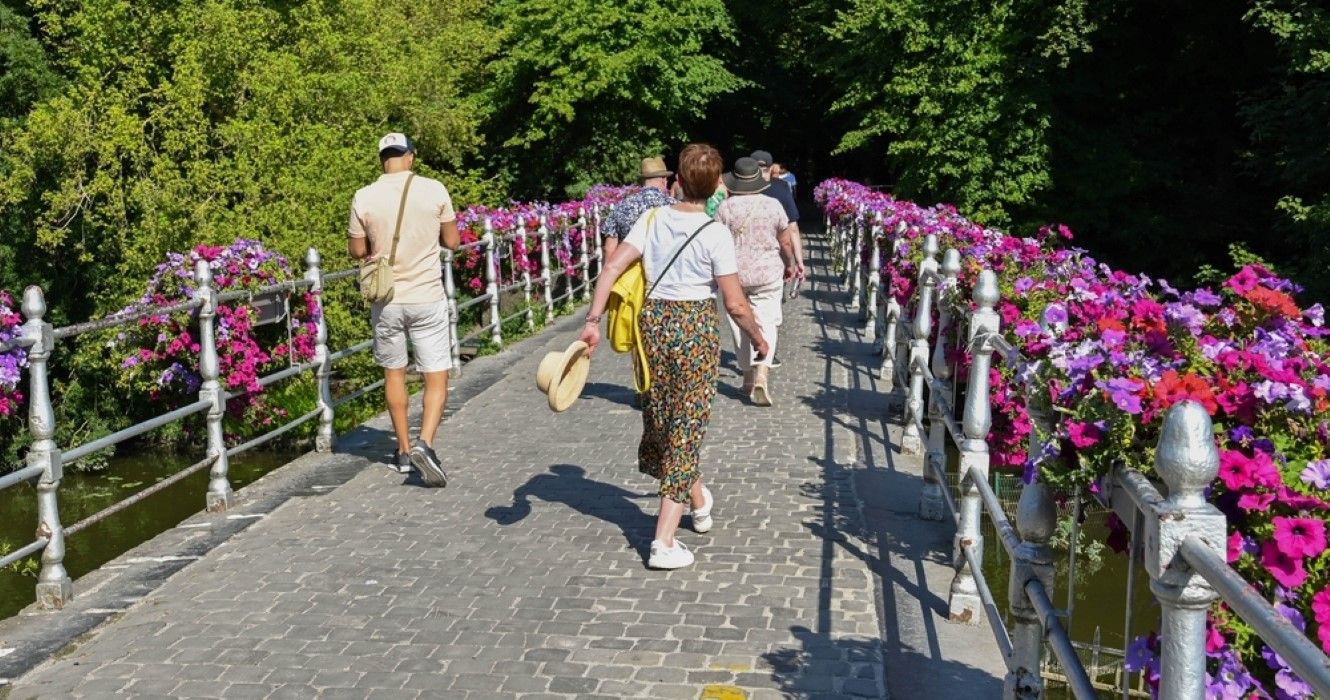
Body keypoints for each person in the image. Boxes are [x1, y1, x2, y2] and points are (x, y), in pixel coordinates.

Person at [579, 143, 769, 570]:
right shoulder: (715, 232)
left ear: (676, 183)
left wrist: (593, 320)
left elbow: (610, 267)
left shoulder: (651, 219)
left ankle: (698, 501)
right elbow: (735, 304)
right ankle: (663, 542)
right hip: (694, 328)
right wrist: (757, 337)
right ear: (718, 186)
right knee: (685, 426)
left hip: (654, 325)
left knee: (665, 417)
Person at [347, 132, 460, 486]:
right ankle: (426, 444)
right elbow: (452, 241)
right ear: (409, 156)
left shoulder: (364, 196)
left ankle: (403, 452)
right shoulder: (434, 189)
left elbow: (357, 250)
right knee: (435, 375)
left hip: (387, 300)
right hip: (427, 296)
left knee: (394, 374)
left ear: (383, 159)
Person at [716, 157, 797, 406]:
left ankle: (748, 379)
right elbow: (785, 241)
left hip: (734, 275)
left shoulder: (725, 208)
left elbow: (717, 242)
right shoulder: (773, 205)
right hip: (768, 273)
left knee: (740, 323)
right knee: (768, 321)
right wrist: (791, 263)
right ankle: (762, 373)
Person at [750, 149, 805, 369]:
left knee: (745, 306)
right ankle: (767, 353)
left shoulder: (737, 189)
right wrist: (797, 261)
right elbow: (792, 229)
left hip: (742, 258)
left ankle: (753, 350)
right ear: (772, 168)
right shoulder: (781, 188)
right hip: (775, 259)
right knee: (771, 308)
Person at [601, 157, 677, 259]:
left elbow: (609, 249)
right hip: (663, 269)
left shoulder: (621, 206)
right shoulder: (673, 205)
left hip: (630, 269)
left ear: (643, 181)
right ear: (663, 180)